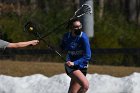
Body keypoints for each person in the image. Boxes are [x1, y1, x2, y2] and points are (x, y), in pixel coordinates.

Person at [61, 18, 91, 93]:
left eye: (79, 26)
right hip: (70, 66)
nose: (78, 28)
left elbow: (87, 56)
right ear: (71, 28)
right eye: (76, 27)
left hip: (82, 66)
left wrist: (75, 63)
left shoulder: (83, 37)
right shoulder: (66, 36)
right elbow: (62, 47)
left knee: (73, 91)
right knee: (85, 85)